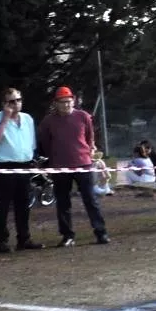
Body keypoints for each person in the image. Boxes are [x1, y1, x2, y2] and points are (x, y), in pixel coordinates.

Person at [38, 86, 111, 247]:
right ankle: (67, 235)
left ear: (74, 101)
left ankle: (101, 232)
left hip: (83, 164)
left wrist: (89, 151)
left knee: (90, 200)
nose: (66, 105)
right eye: (62, 102)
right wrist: (52, 160)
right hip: (60, 166)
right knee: (63, 203)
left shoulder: (84, 117)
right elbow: (45, 142)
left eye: (68, 101)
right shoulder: (48, 121)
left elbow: (89, 138)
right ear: (55, 103)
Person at [0, 88, 40, 252]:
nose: (16, 104)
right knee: (2, 205)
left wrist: (32, 158)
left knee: (23, 204)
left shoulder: (28, 119)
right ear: (4, 104)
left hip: (24, 165)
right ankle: (1, 240)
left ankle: (24, 239)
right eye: (11, 101)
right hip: (3, 166)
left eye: (18, 100)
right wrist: (5, 119)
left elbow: (32, 142)